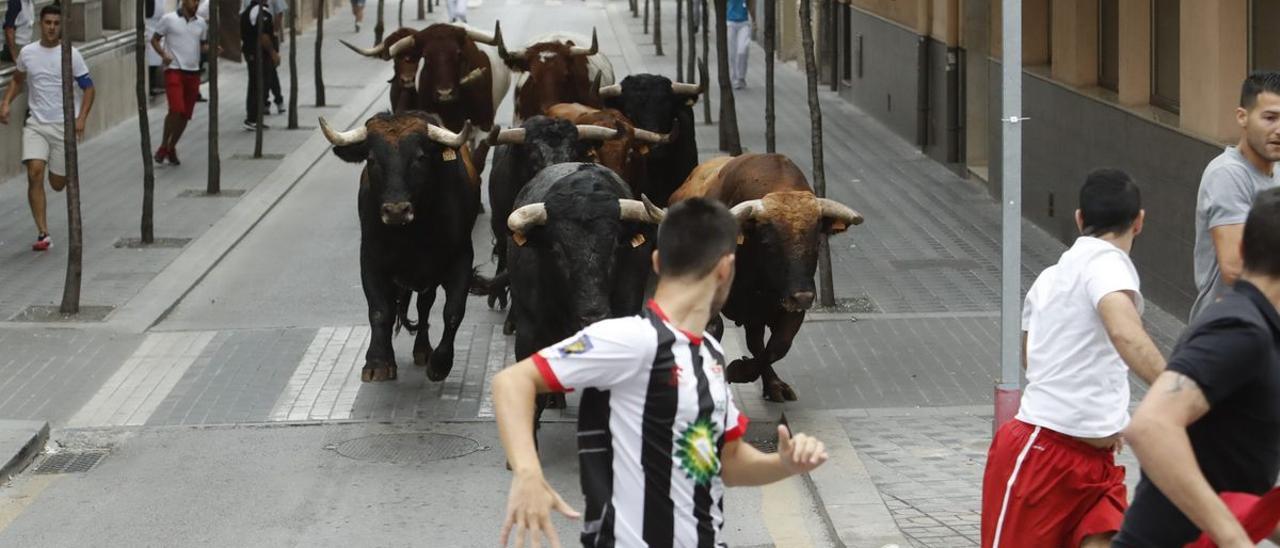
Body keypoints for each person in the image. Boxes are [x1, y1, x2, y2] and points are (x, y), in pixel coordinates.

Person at [491, 198, 829, 547]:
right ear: (727, 269)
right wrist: (528, 474)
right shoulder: (628, 340)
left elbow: (729, 462)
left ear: (655, 261)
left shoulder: (710, 354)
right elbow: (512, 382)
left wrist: (784, 464)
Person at [980, 169, 1166, 548]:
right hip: (1043, 455)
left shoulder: (1049, 278)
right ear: (1139, 221)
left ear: (1079, 218)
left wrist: (1100, 421)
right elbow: (1124, 332)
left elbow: (1034, 358)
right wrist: (1178, 392)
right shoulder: (1107, 264)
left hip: (1097, 467)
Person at [1115, 188, 1280, 547]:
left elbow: (1234, 476)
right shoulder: (1240, 330)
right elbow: (1151, 427)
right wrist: (1234, 539)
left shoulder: (1260, 330)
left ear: (1243, 250)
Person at [0, 4, 95, 252]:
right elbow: (18, 81)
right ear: (40, 25)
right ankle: (43, 233)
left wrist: (81, 117)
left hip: (63, 126)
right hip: (36, 123)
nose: (51, 27)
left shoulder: (70, 54)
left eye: (56, 23)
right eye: (47, 23)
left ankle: (62, 171)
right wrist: (6, 102)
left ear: (61, 25)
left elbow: (89, 88)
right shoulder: (28, 53)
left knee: (57, 183)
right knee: (34, 172)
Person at [1189, 71, 1280, 321]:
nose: (1279, 129)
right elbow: (1234, 267)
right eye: (1270, 118)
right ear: (1242, 117)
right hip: (1230, 332)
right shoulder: (1228, 174)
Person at [152, 0, 210, 166]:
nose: (196, 4)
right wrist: (163, 54)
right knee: (176, 109)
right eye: (193, 1)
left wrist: (211, 49)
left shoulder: (201, 24)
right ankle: (163, 146)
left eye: (198, 1)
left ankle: (171, 147)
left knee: (185, 115)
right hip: (174, 70)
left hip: (193, 72)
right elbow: (155, 39)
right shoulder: (169, 19)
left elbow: (202, 45)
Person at [239, 0, 277, 130]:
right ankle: (252, 118)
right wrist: (273, 53)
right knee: (259, 86)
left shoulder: (250, 11)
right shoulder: (259, 12)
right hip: (258, 56)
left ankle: (254, 118)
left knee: (255, 85)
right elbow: (264, 36)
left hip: (253, 55)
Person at [725, 0, 753, 89]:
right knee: (732, 52)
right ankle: (734, 78)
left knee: (742, 50)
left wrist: (754, 19)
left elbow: (751, 3)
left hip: (744, 22)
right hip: (730, 22)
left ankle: (741, 77)